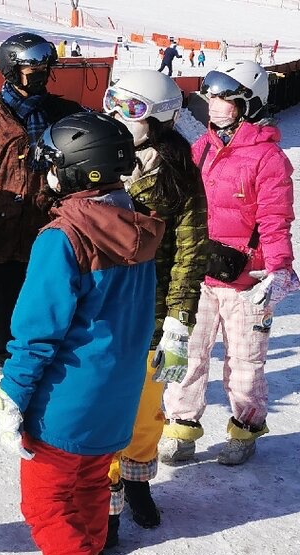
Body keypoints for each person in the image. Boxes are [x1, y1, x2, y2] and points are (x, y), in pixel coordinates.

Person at [0, 112, 165, 555]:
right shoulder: (136, 227)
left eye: (52, 163)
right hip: (117, 399)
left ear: (75, 169)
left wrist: (12, 396)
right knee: (90, 487)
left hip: (66, 405)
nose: (48, 173)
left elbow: (36, 333)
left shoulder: (63, 237)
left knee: (47, 505)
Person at [159, 61, 300, 467]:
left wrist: (278, 269)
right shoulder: (201, 146)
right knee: (186, 354)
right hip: (201, 273)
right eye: (213, 97)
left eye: (225, 97)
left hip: (245, 279)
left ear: (247, 103)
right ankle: (181, 426)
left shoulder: (268, 158)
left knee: (245, 363)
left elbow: (276, 218)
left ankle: (245, 427)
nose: (215, 105)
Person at [101, 70, 208, 547]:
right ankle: (104, 494)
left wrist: (180, 320)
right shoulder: (93, 158)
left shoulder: (179, 174)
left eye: (132, 108)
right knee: (102, 408)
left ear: (161, 119)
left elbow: (191, 251)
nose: (117, 116)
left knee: (145, 410)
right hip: (102, 310)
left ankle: (138, 478)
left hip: (151, 308)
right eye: (114, 102)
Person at [0, 33, 82, 372]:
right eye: (32, 66)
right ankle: (7, 370)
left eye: (45, 65)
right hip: (7, 231)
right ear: (11, 69)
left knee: (51, 300)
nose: (41, 72)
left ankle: (49, 365)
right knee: (6, 306)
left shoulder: (62, 112)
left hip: (51, 226)